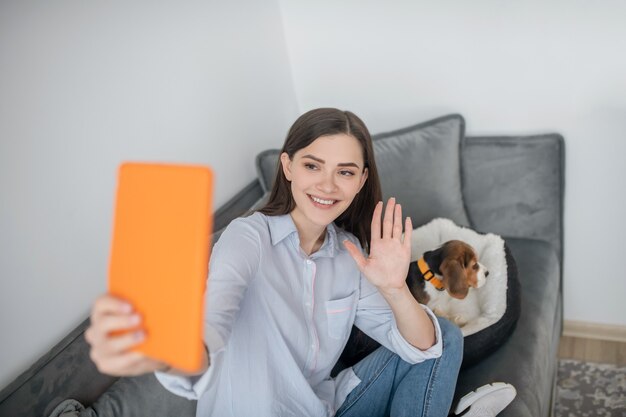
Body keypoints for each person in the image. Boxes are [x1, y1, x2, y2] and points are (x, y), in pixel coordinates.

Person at [85, 108, 464, 417]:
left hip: (325, 407)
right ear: (287, 167)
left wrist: (395, 289)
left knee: (444, 335)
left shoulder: (348, 251)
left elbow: (422, 347)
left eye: (345, 172)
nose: (328, 186)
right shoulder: (248, 237)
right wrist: (166, 353)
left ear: (362, 180)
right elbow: (210, 327)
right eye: (312, 166)